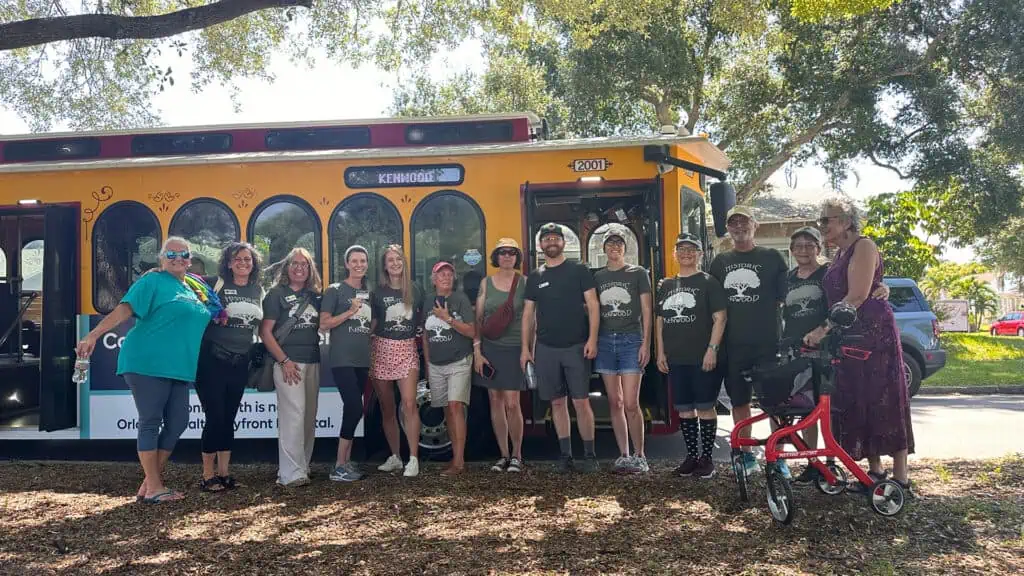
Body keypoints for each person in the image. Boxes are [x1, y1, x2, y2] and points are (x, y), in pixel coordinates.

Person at [76, 237, 213, 503]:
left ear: (191, 258)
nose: (177, 259)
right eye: (170, 254)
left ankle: (150, 483)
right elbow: (124, 309)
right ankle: (153, 487)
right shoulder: (152, 281)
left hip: (179, 367)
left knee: (178, 423)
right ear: (161, 259)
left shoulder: (194, 287)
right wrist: (93, 335)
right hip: (147, 362)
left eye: (183, 254)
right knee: (151, 421)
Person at [804, 196, 915, 494]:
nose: (822, 225)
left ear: (847, 220)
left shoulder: (863, 245)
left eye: (827, 219)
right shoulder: (839, 255)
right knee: (860, 400)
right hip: (848, 334)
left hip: (873, 334)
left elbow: (856, 296)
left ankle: (901, 477)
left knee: (885, 400)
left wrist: (822, 330)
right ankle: (875, 472)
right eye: (821, 220)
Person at [784, 226, 889, 483]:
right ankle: (811, 461)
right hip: (797, 346)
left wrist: (882, 286)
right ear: (791, 251)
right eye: (798, 246)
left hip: (826, 345)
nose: (804, 251)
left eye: (810, 246)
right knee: (806, 407)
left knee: (827, 407)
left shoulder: (827, 273)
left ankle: (830, 461)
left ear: (819, 249)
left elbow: (853, 288)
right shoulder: (787, 278)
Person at [708, 206, 789, 478]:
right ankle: (745, 455)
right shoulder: (720, 262)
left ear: (755, 225)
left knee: (774, 403)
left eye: (744, 222)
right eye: (734, 223)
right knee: (740, 402)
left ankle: (777, 457)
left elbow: (784, 297)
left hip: (768, 344)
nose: (739, 227)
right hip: (734, 345)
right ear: (728, 229)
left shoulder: (772, 258)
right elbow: (714, 306)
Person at [521, 223, 601, 473]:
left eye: (556, 238)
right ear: (541, 245)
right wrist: (525, 348)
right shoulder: (535, 276)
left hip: (576, 346)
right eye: (547, 239)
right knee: (556, 403)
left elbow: (594, 305)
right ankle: (565, 455)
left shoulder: (579, 269)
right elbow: (527, 315)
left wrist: (593, 339)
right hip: (546, 348)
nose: (551, 242)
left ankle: (589, 455)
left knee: (581, 402)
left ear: (563, 242)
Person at [194, 242, 265, 492]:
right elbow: (189, 292)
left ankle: (224, 474)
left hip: (239, 363)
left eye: (247, 259)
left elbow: (262, 326)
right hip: (212, 361)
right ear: (228, 262)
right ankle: (207, 475)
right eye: (237, 259)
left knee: (229, 418)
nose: (243, 263)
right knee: (214, 417)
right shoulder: (215, 284)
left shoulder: (258, 290)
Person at [656, 233, 727, 479]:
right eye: (682, 249)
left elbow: (720, 318)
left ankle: (707, 459)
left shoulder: (708, 282)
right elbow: (660, 320)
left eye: (692, 249)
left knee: (706, 408)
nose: (686, 253)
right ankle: (691, 457)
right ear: (674, 254)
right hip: (676, 358)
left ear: (700, 254)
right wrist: (660, 351)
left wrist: (712, 349)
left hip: (703, 357)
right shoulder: (666, 285)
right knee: (685, 410)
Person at [260, 247, 322, 488]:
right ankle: (289, 474)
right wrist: (283, 361)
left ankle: (303, 466)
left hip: (313, 359)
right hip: (288, 363)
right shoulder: (276, 294)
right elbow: (265, 332)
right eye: (294, 264)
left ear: (310, 269)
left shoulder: (316, 295)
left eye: (304, 264)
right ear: (286, 268)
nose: (299, 268)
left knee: (308, 417)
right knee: (292, 417)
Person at [593, 229, 652, 473]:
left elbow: (647, 310)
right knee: (615, 402)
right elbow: (592, 308)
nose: (614, 247)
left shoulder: (638, 273)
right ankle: (624, 454)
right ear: (604, 249)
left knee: (630, 402)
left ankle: (641, 455)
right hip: (605, 341)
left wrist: (646, 344)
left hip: (631, 340)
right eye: (610, 244)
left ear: (625, 249)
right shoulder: (598, 277)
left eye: (619, 244)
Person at [370, 245, 424, 478]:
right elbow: (373, 322)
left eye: (398, 259)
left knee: (410, 403)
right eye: (390, 260)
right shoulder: (377, 292)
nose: (394, 263)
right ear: (384, 265)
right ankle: (395, 456)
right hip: (381, 348)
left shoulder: (415, 289)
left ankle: (413, 458)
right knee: (387, 408)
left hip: (407, 349)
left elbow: (421, 317)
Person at [474, 238, 527, 473]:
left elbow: (531, 318)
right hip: (490, 348)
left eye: (511, 252)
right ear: (496, 257)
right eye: (502, 252)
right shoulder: (486, 283)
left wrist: (528, 348)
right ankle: (503, 454)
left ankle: (517, 455)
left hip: (515, 347)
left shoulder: (524, 282)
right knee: (495, 401)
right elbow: (478, 319)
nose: (507, 256)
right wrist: (477, 350)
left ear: (517, 257)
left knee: (512, 403)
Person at [321, 245, 373, 482]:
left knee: (355, 409)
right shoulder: (335, 291)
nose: (359, 264)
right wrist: (349, 312)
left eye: (362, 261)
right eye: (354, 261)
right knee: (353, 407)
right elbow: (324, 324)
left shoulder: (368, 292)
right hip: (342, 359)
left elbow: (373, 322)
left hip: (363, 359)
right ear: (346, 263)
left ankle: (347, 463)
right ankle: (339, 465)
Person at [422, 261, 476, 475]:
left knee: (455, 407)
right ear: (433, 279)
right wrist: (427, 364)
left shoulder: (460, 299)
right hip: (436, 365)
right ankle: (455, 457)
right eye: (441, 274)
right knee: (446, 410)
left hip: (459, 361)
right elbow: (426, 336)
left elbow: (472, 332)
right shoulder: (428, 302)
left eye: (449, 274)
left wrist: (448, 319)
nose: (445, 277)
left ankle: (459, 461)